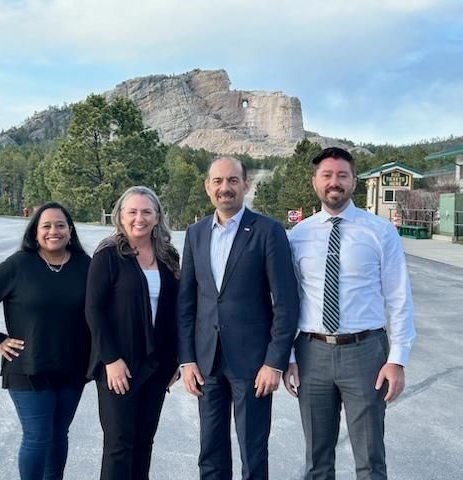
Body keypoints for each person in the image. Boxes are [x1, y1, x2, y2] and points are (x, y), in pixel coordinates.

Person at [283, 147, 416, 479]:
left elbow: (399, 297)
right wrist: (287, 357)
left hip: (366, 353)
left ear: (353, 181)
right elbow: (286, 302)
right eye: (327, 175)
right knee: (317, 460)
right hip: (311, 353)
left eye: (342, 175)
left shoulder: (380, 231)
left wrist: (397, 359)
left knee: (370, 459)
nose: (334, 182)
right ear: (315, 181)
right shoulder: (298, 236)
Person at [177, 156, 299, 480]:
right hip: (207, 364)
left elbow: (286, 303)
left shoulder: (268, 232)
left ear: (246, 185)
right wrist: (187, 360)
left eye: (232, 180)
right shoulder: (195, 233)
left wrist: (275, 362)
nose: (225, 188)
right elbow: (187, 302)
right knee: (210, 453)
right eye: (217, 181)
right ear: (207, 188)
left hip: (253, 366)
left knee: (253, 454)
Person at [0, 202, 92, 480]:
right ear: (35, 232)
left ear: (70, 231)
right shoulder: (19, 265)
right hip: (28, 367)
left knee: (59, 434)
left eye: (60, 225)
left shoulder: (86, 266)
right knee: (38, 436)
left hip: (72, 368)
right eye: (45, 226)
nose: (53, 231)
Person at [86, 186, 181, 480]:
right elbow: (94, 311)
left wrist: (176, 360)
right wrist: (111, 359)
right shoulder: (108, 254)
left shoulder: (168, 257)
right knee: (118, 444)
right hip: (120, 366)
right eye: (132, 211)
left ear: (156, 217)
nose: (139, 218)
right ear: (121, 216)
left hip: (157, 366)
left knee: (144, 441)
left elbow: (177, 312)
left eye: (146, 212)